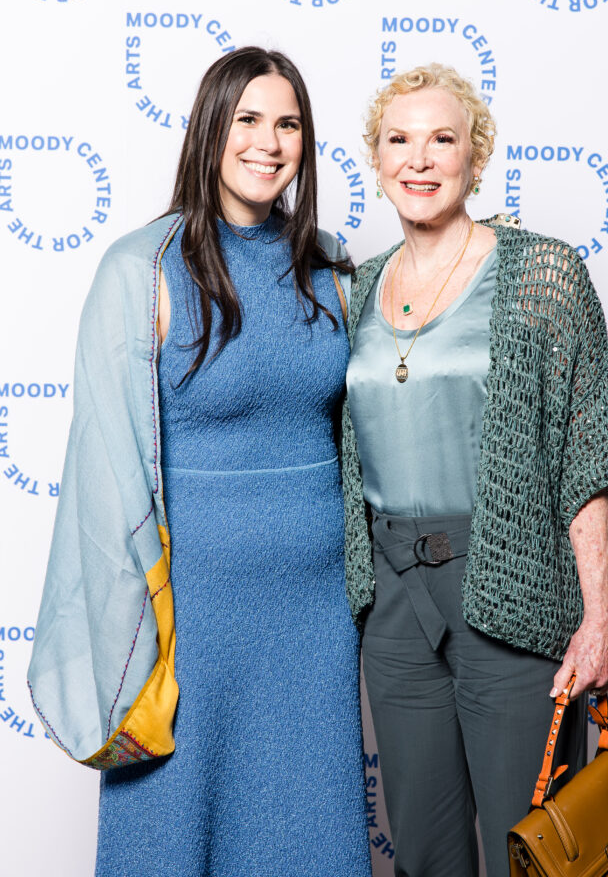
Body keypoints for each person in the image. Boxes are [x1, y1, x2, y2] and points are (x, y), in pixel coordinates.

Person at [28, 47, 371, 877]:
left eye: (287, 123)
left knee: (310, 837)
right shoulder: (139, 267)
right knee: (170, 838)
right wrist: (136, 631)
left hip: (314, 619)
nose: (268, 141)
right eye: (248, 119)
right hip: (186, 622)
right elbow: (108, 476)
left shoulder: (330, 265)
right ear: (209, 130)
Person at [340, 63, 608, 877]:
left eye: (443, 139)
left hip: (507, 580)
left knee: (535, 845)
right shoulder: (353, 290)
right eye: (398, 140)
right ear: (376, 161)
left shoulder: (542, 273)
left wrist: (599, 617)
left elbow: (588, 452)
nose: (420, 158)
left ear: (476, 158)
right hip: (392, 604)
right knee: (425, 851)